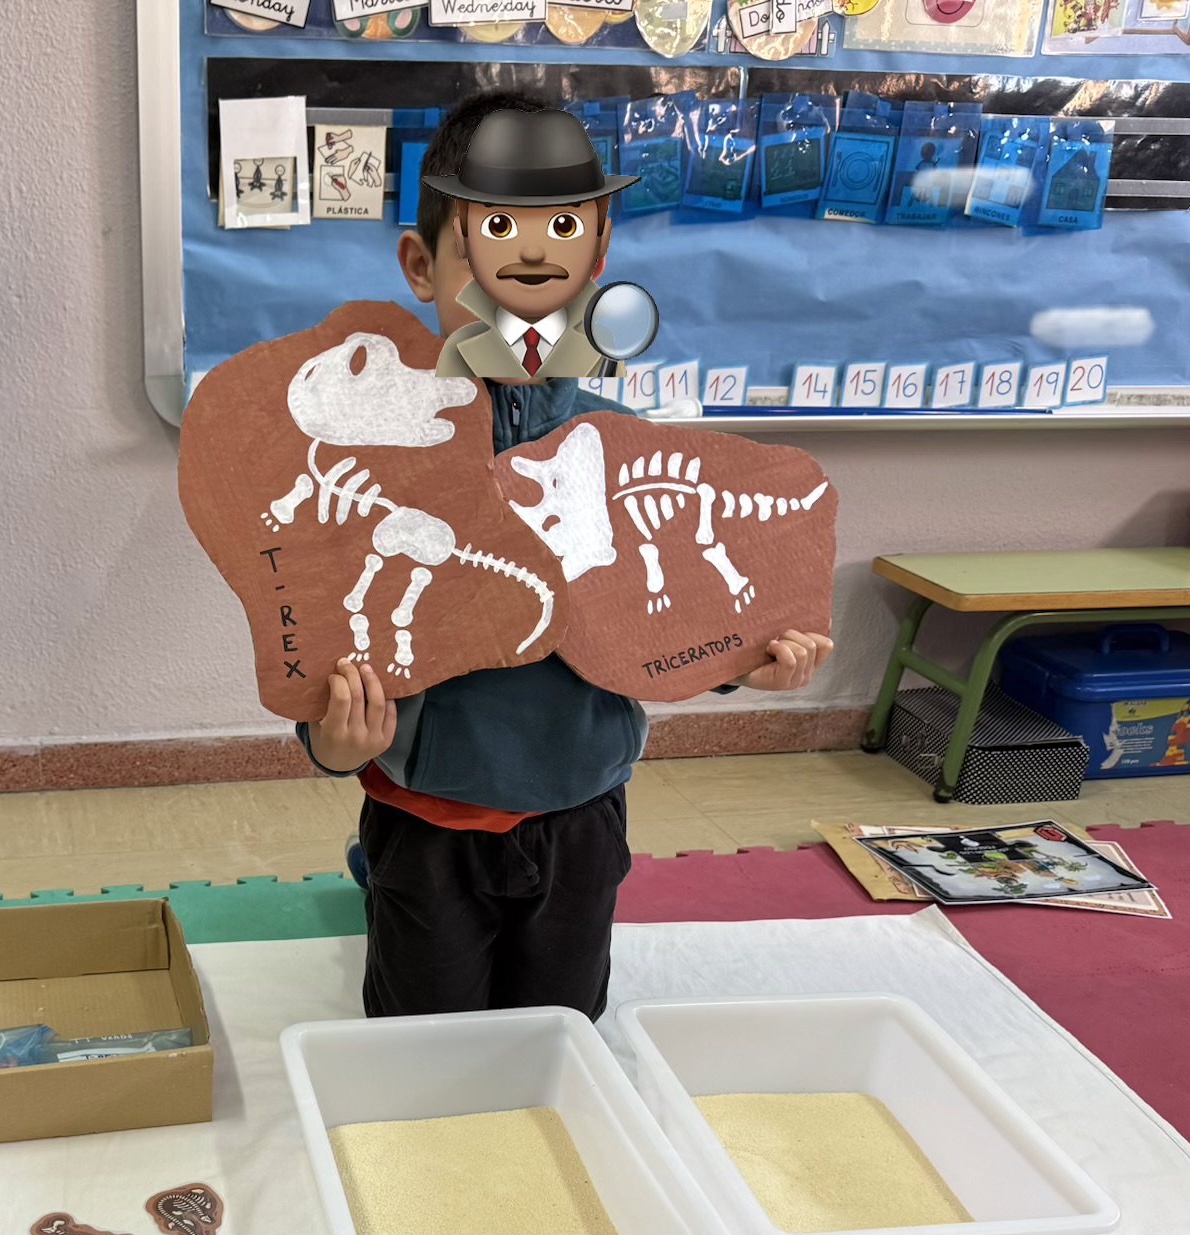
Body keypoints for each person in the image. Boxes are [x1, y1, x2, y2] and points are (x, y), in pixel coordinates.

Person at [296, 92, 834, 1021]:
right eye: (494, 239)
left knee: (561, 1030)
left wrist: (744, 661)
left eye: (562, 239)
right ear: (422, 264)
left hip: (582, 809)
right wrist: (329, 741)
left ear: (596, 261)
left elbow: (663, 605)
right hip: (425, 818)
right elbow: (319, 636)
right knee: (421, 1043)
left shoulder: (617, 440)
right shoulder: (374, 451)